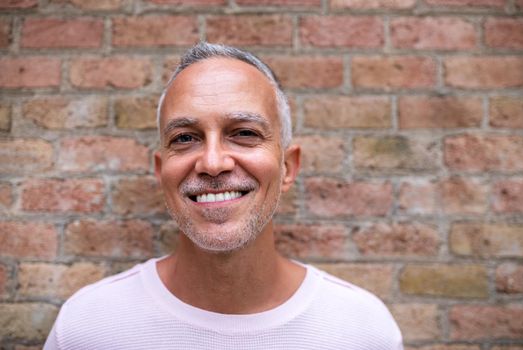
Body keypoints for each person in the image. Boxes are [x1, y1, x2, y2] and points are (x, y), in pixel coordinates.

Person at [44, 42, 403, 350]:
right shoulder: (87, 327)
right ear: (160, 172)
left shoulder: (363, 331)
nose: (213, 163)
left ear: (288, 167)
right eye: (185, 138)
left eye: (244, 132)